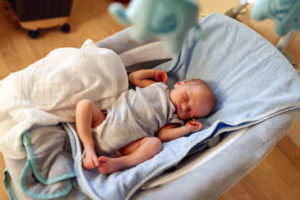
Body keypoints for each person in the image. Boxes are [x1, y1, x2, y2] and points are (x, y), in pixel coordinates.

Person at [75, 69, 216, 174]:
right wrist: (153, 73)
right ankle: (89, 148)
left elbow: (164, 136)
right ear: (179, 84)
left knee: (155, 144)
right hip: (105, 121)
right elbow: (134, 77)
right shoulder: (159, 87)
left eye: (190, 111)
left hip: (126, 145)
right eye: (186, 98)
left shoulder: (174, 118)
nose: (184, 106)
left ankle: (120, 162)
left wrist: (186, 129)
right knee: (84, 105)